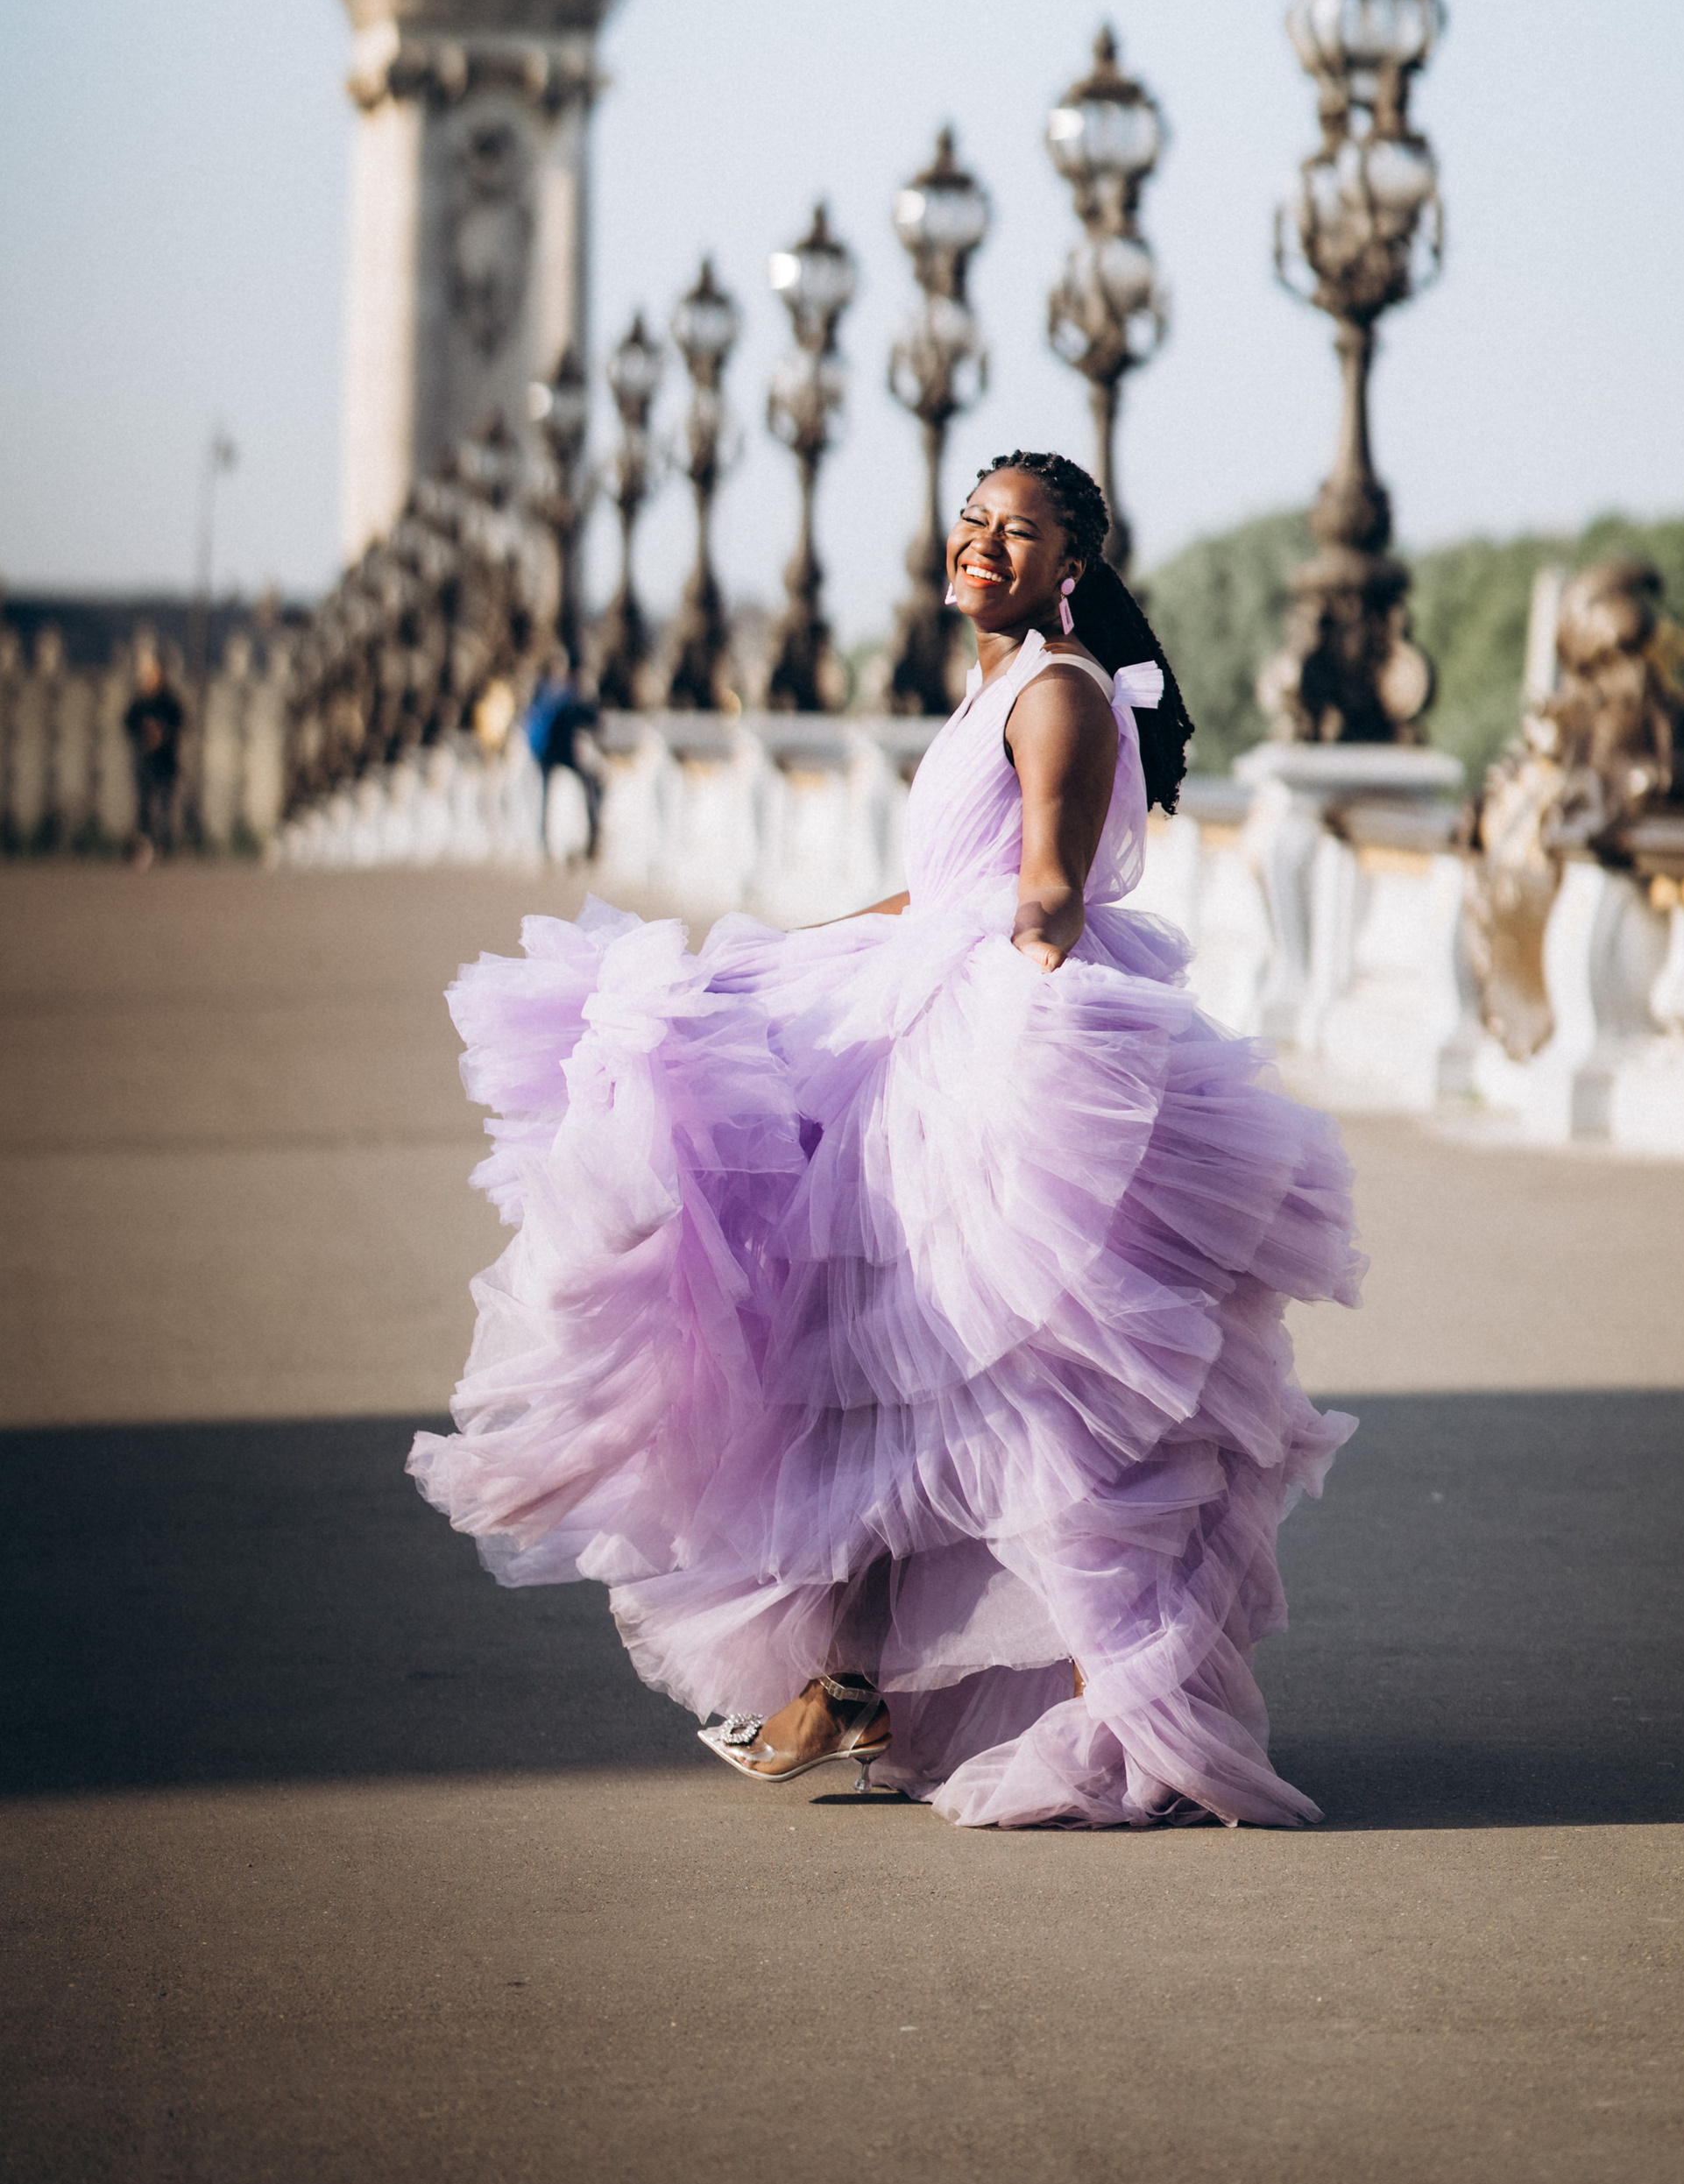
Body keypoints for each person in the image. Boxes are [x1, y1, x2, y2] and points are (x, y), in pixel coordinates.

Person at [411, 449, 1362, 1827]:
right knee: (885, 1377)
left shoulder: (1059, 692)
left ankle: (1119, 1710)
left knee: (1028, 1398)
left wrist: (1029, 990)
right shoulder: (992, 687)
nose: (983, 544)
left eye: (1018, 532)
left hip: (993, 1046)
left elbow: (1046, 881)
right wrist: (782, 954)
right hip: (923, 1022)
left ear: (1070, 568)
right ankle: (854, 1678)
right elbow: (939, 889)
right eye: (973, 520)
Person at [524, 664, 604, 859]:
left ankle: (545, 842)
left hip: (546, 755)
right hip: (563, 754)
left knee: (546, 799)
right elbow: (594, 720)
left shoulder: (544, 693)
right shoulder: (570, 696)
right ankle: (588, 839)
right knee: (582, 791)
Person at [123, 649, 186, 867]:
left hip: (166, 763)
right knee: (142, 809)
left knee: (165, 809)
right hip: (144, 763)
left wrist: (163, 732)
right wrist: (145, 731)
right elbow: (127, 725)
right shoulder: (140, 702)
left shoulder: (170, 702)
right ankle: (143, 850)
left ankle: (164, 850)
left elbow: (181, 725)